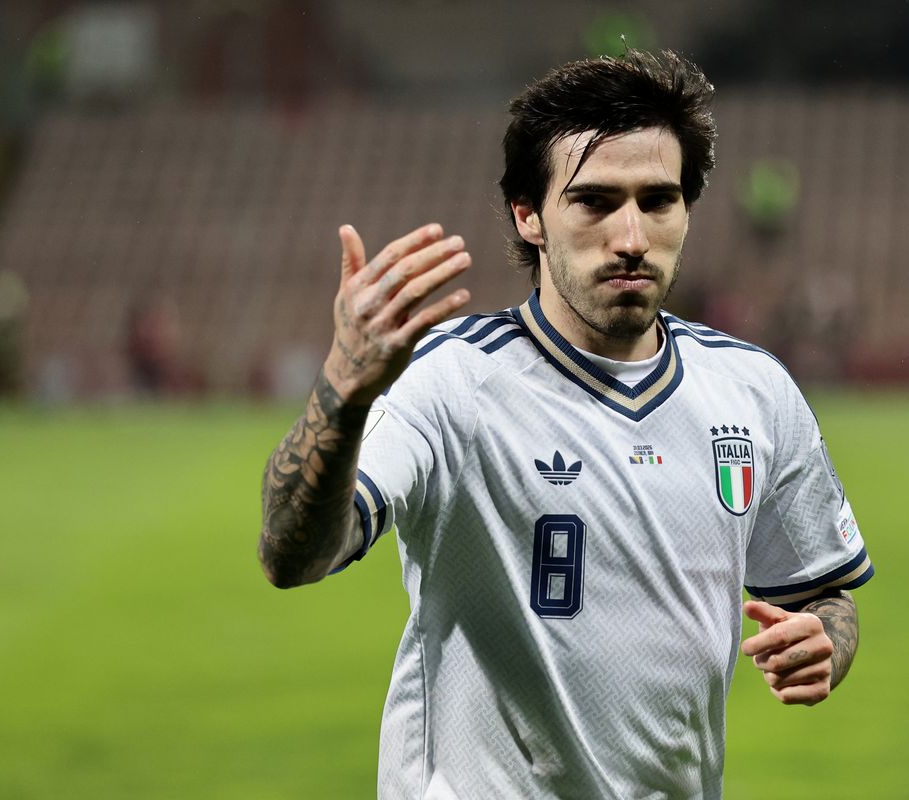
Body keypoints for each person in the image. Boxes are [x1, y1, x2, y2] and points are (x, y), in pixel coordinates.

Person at [259, 49, 873, 799]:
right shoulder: (454, 381)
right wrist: (343, 391)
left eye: (658, 200)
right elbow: (293, 552)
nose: (631, 236)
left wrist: (827, 644)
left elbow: (823, 596)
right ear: (530, 215)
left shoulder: (752, 390)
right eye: (594, 202)